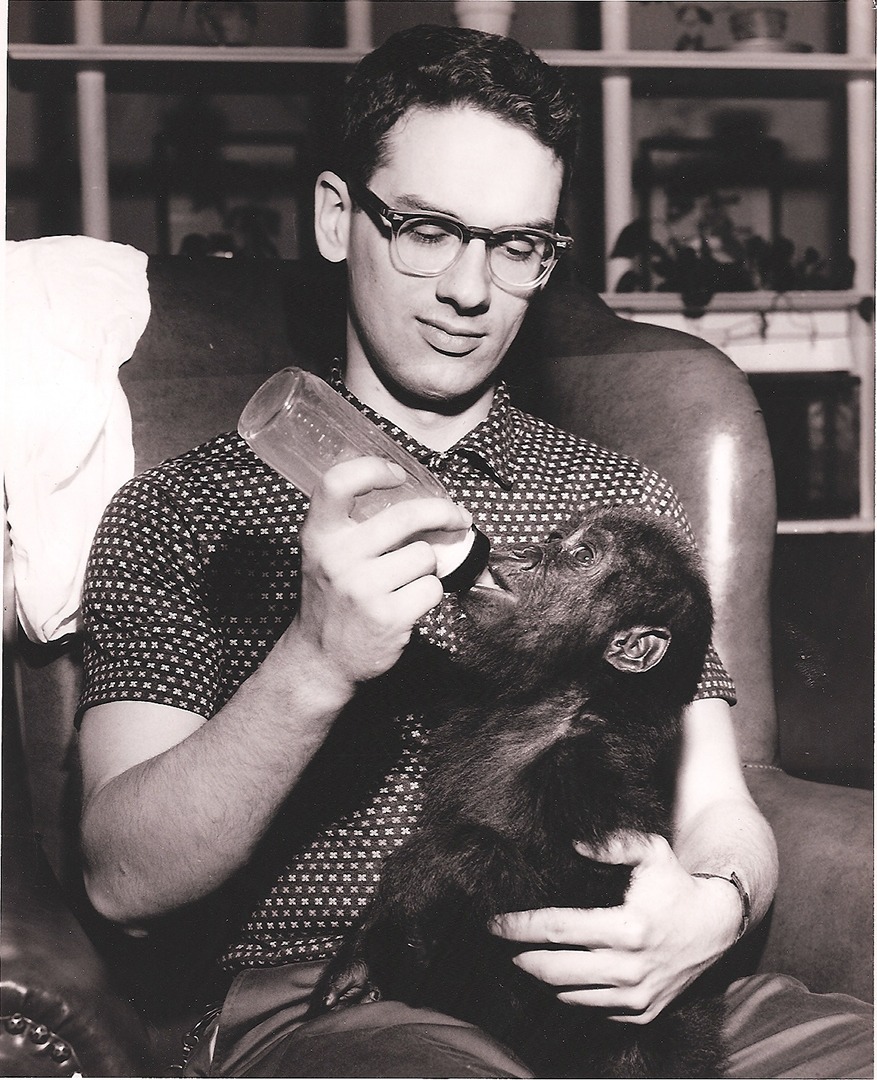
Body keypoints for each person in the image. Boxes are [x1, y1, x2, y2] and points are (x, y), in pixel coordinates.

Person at [77, 24, 872, 1079]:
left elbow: (722, 798)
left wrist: (710, 908)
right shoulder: (185, 513)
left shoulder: (619, 497)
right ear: (334, 216)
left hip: (613, 990)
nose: (469, 288)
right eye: (427, 229)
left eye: (516, 244)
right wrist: (312, 663)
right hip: (343, 1002)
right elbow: (122, 883)